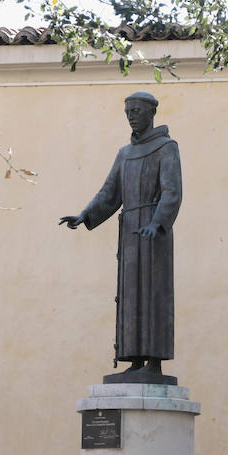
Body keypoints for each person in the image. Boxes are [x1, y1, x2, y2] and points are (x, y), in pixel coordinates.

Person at [60, 91, 182, 379]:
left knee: (153, 293)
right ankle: (135, 361)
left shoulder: (167, 148)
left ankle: (154, 363)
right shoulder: (124, 154)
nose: (131, 117)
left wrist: (158, 222)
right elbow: (109, 192)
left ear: (151, 113)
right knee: (131, 295)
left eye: (136, 111)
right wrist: (85, 215)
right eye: (128, 112)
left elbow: (172, 191)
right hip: (130, 232)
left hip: (153, 232)